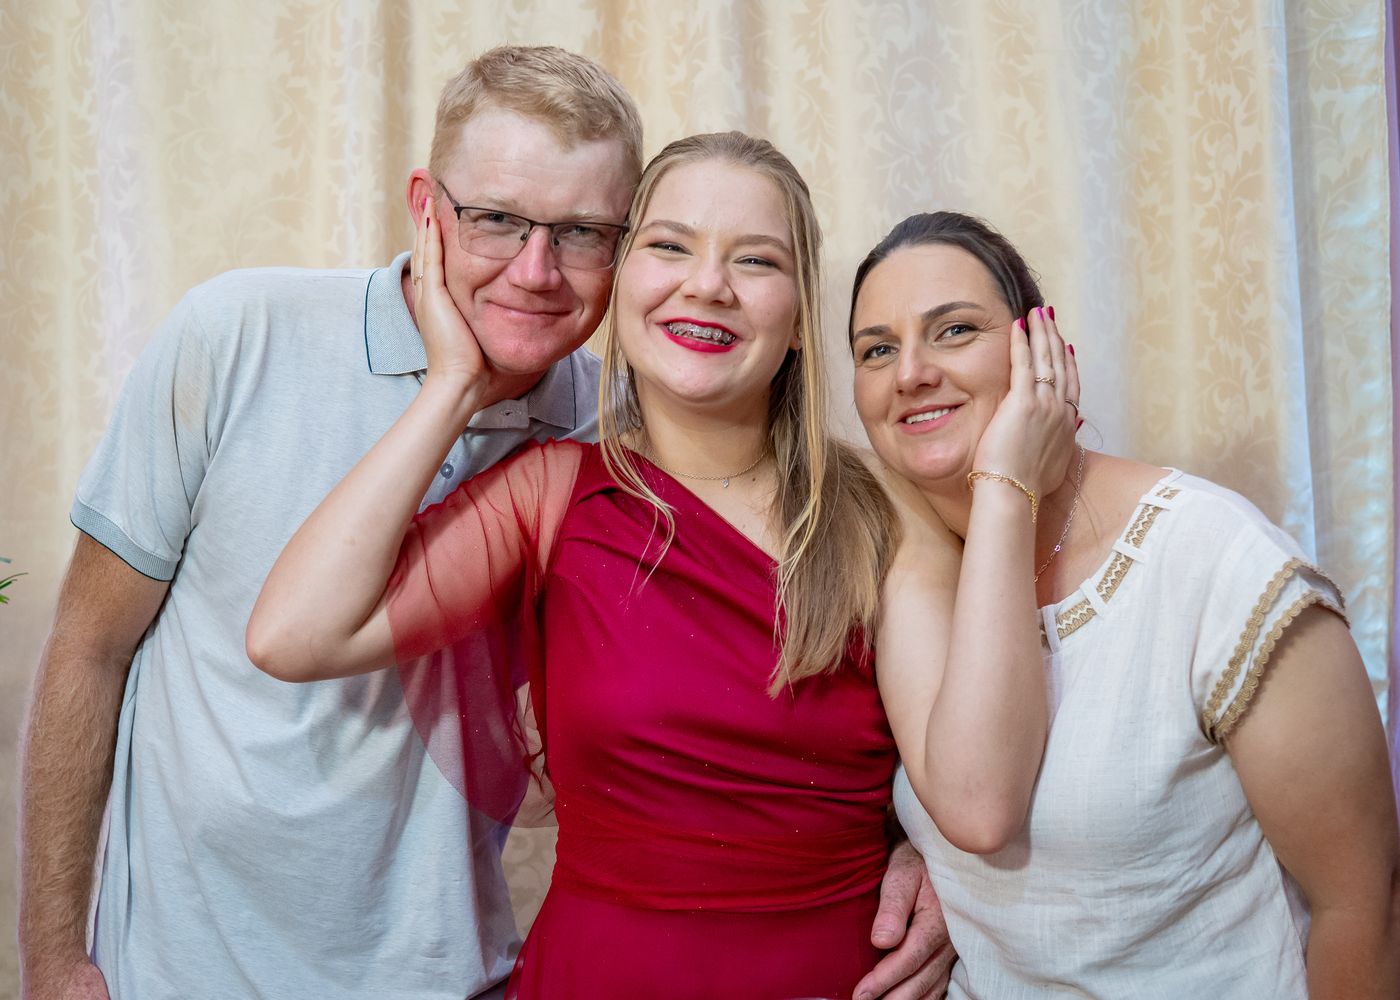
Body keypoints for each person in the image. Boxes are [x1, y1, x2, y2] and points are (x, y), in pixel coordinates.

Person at [18, 46, 945, 1000]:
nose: (536, 271)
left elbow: (766, 716)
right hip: (184, 969)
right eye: (497, 219)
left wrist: (926, 853)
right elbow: (90, 648)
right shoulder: (235, 336)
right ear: (427, 208)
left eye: (581, 233)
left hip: (447, 975)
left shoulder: (624, 438)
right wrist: (52, 963)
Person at [247, 132, 1063, 998]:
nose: (707, 284)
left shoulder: (879, 513)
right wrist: (454, 384)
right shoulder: (548, 497)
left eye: (756, 260)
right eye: (670, 246)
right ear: (620, 285)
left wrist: (1007, 486)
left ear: (799, 322)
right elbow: (292, 636)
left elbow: (980, 807)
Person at [849, 210, 1400, 999]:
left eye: (954, 330)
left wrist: (1004, 484)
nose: (910, 373)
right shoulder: (898, 571)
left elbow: (1364, 906)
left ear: (1041, 350)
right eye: (877, 349)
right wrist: (919, 855)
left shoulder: (1212, 558)